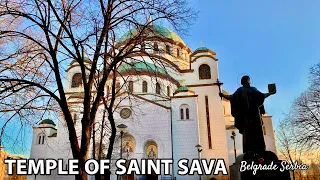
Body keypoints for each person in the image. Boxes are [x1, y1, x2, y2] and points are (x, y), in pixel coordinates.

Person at [219, 76, 275, 153]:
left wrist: (270, 93)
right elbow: (232, 97)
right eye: (246, 79)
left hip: (255, 113)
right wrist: (223, 95)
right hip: (245, 114)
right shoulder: (240, 90)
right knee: (247, 131)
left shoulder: (253, 89)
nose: (248, 80)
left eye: (248, 79)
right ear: (243, 81)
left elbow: (261, 96)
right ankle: (248, 148)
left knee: (258, 130)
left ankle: (261, 147)